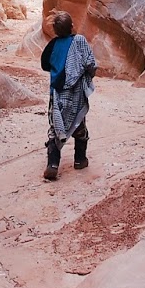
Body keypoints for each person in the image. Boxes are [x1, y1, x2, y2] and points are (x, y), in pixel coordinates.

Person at [39, 10, 96, 181]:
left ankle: (53, 164)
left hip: (57, 92)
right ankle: (80, 160)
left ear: (55, 30)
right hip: (76, 92)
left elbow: (45, 64)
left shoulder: (52, 45)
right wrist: (86, 75)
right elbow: (90, 63)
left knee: (56, 125)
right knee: (78, 123)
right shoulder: (79, 41)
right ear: (72, 26)